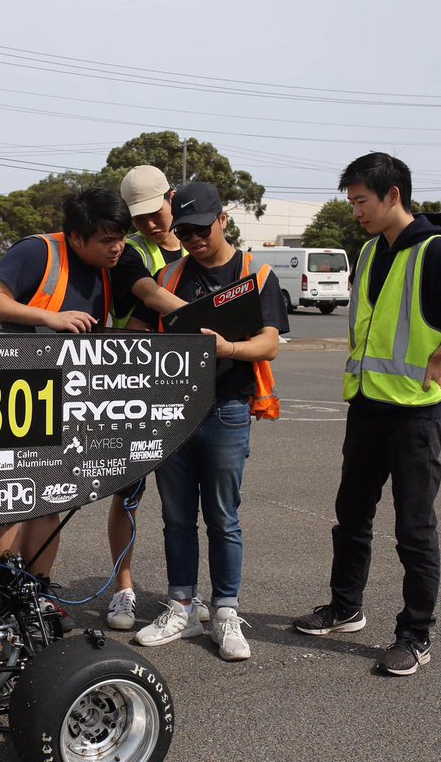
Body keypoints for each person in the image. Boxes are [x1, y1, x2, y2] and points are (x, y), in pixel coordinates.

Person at [291, 153, 441, 676]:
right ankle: (345, 608)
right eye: (351, 203)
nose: (356, 212)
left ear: (393, 196)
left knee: (414, 529)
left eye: (361, 202)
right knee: (351, 518)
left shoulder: (436, 251)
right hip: (366, 405)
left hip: (414, 414)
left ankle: (415, 634)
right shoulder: (368, 251)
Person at [129, 182, 288, 661]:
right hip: (172, 410)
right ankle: (181, 604)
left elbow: (270, 343)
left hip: (228, 408)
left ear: (223, 219)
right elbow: (136, 330)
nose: (194, 239)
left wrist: (227, 349)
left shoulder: (256, 274)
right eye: (185, 231)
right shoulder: (171, 276)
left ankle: (224, 612)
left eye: (202, 228)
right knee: (176, 516)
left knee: (223, 517)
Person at [0, 187, 131, 581]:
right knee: (7, 498)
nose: (118, 248)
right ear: (77, 237)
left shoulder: (107, 267)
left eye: (122, 238)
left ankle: (36, 590)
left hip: (64, 400)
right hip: (12, 397)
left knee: (47, 500)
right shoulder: (38, 252)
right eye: (107, 240)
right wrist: (50, 317)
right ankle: (1, 587)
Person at [104, 165, 196, 631]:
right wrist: (204, 318)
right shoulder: (130, 250)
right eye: (137, 217)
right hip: (135, 387)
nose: (149, 224)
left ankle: (189, 598)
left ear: (173, 197)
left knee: (188, 502)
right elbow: (146, 292)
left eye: (155, 212)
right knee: (128, 494)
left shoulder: (199, 242)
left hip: (188, 389)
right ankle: (124, 589)